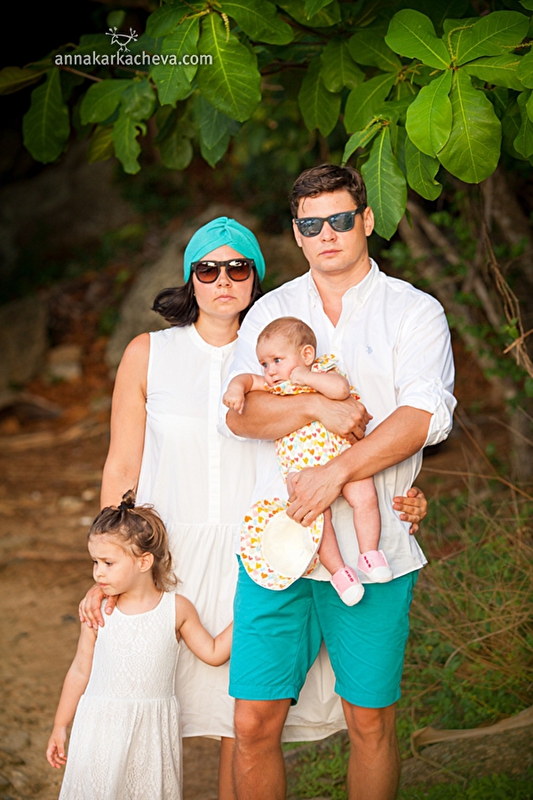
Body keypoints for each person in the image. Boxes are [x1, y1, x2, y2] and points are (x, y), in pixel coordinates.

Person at [78, 214, 428, 799]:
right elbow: (120, 466)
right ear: (189, 277)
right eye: (207, 268)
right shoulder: (149, 352)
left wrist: (408, 495)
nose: (223, 279)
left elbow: (355, 433)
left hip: (262, 553)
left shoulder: (276, 358)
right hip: (162, 556)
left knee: (238, 723)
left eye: (238, 267)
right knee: (133, 700)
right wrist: (110, 562)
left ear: (256, 277)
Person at [220, 164, 456, 800]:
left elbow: (421, 417)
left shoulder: (414, 311)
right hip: (279, 544)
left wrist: (336, 473)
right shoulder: (272, 311)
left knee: (370, 722)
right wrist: (317, 408)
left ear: (367, 220)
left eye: (341, 219)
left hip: (376, 547)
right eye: (311, 224)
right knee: (252, 722)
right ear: (296, 233)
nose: (327, 234)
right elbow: (241, 415)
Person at [47, 490, 232, 800]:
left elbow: (213, 653)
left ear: (144, 561)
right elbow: (80, 669)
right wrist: (60, 725)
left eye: (108, 562)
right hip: (100, 730)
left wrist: (248, 612)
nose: (98, 572)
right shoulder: (98, 611)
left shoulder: (176, 609)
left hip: (150, 737)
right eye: (95, 562)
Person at [223, 315, 392, 606]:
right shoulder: (275, 385)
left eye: (277, 360)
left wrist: (305, 377)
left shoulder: (322, 371)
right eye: (264, 364)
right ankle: (339, 573)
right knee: (316, 519)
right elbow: (247, 380)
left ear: (307, 355)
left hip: (343, 456)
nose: (270, 371)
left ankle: (369, 553)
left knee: (365, 496)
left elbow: (340, 390)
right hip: (303, 467)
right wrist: (235, 389)